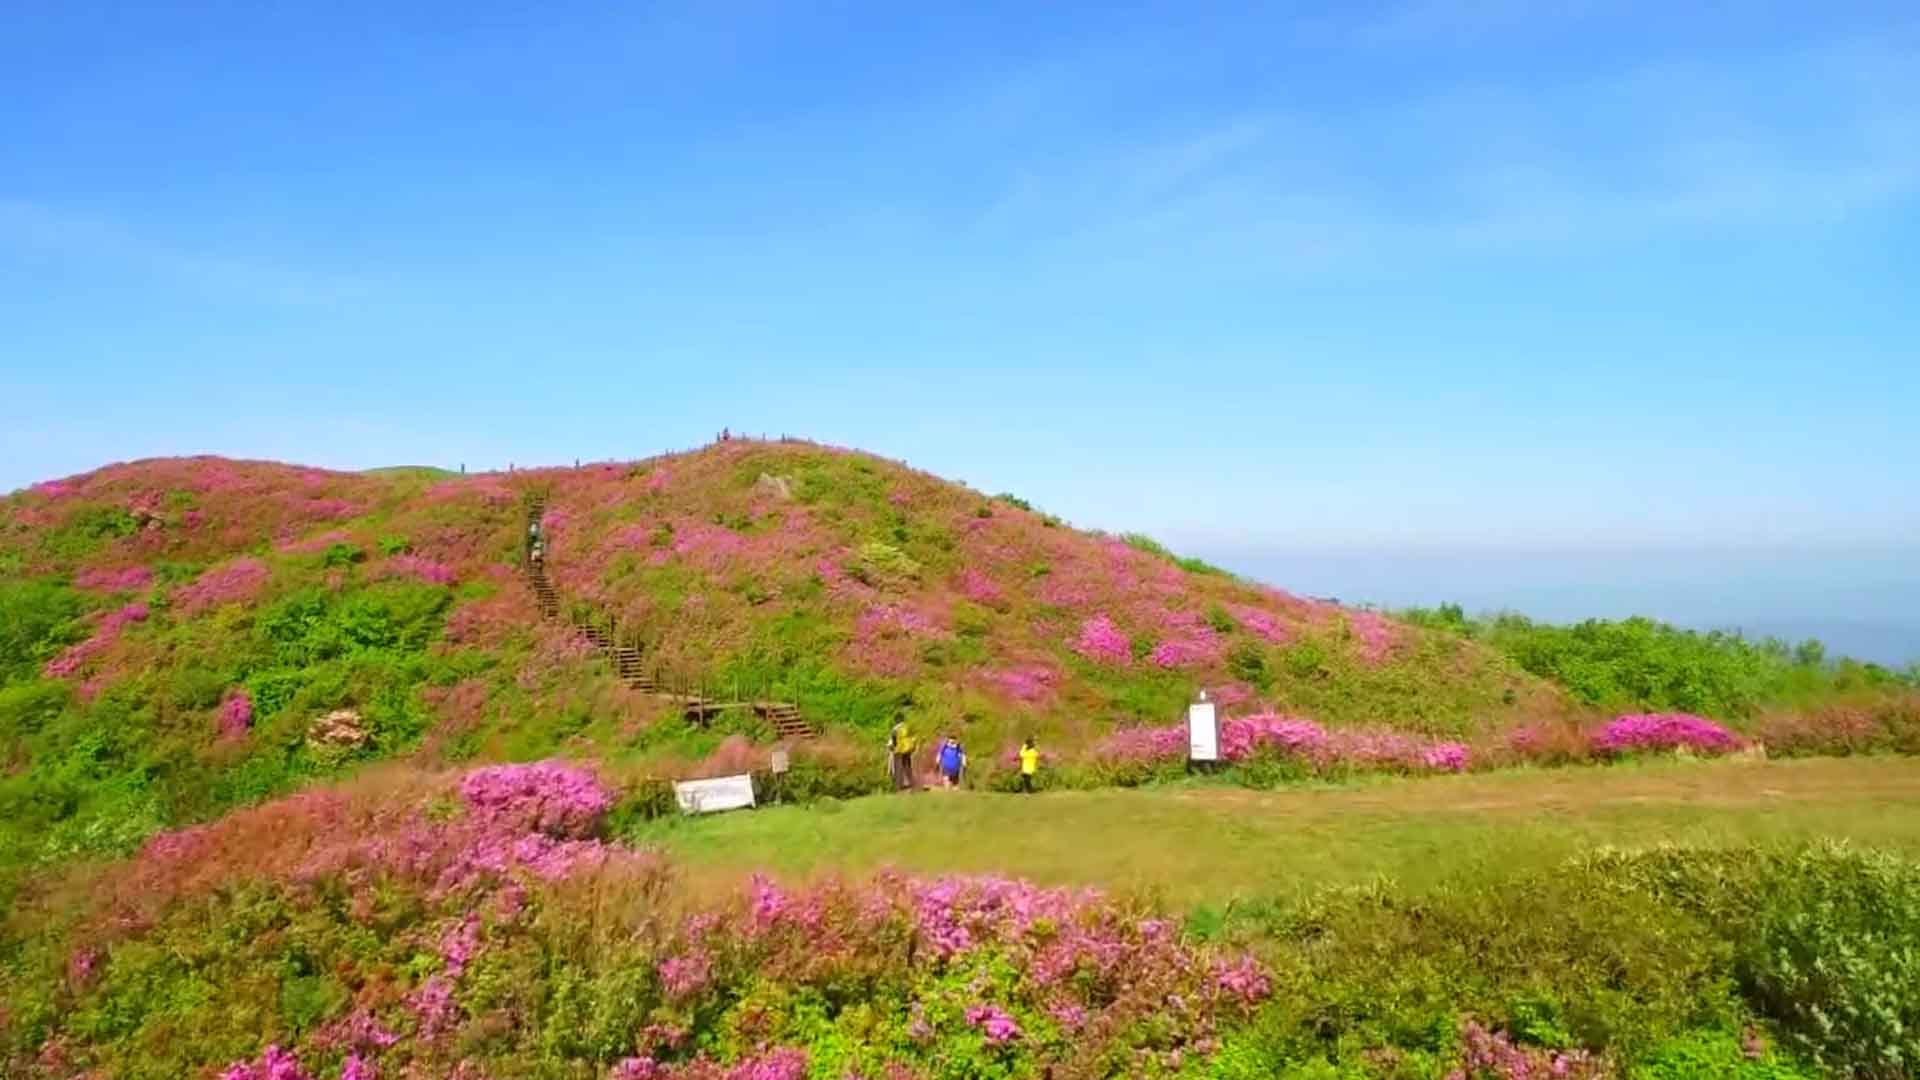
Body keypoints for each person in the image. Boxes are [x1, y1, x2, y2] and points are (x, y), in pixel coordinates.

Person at [887, 715, 917, 791]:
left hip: (898, 750)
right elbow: (913, 738)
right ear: (903, 720)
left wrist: (892, 747)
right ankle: (912, 784)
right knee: (908, 767)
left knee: (898, 768)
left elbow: (893, 740)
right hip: (907, 750)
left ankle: (899, 787)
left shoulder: (895, 729)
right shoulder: (907, 727)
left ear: (896, 721)